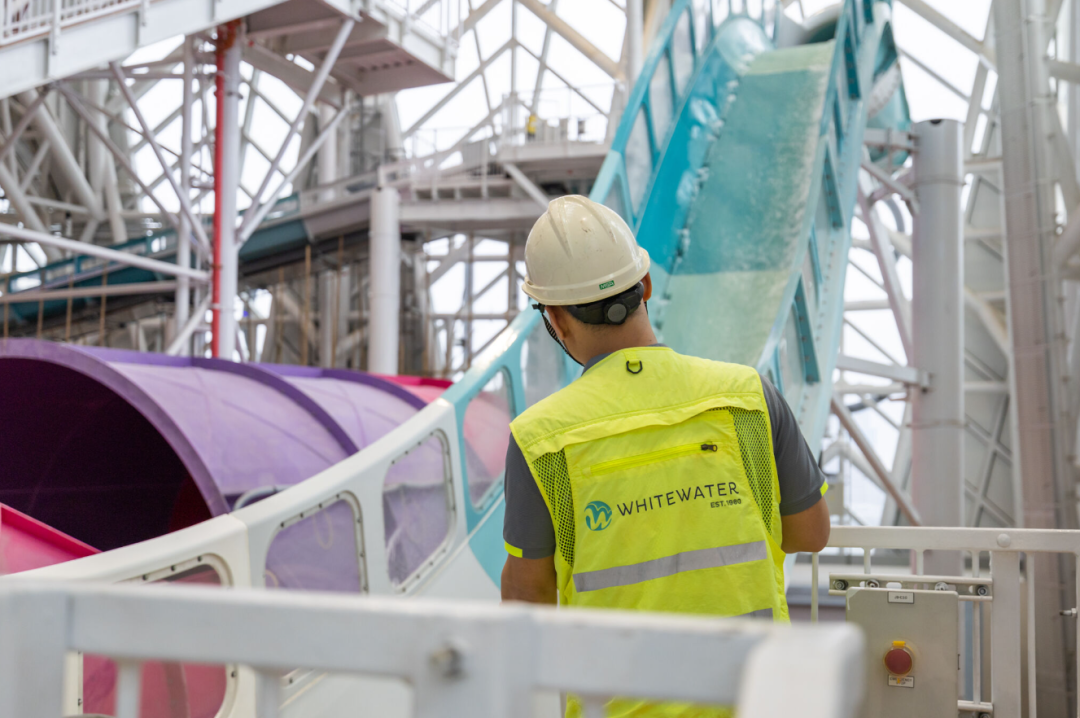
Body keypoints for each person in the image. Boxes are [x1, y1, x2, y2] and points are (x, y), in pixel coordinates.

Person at [501, 194, 830, 616]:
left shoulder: (539, 440)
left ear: (557, 320)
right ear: (648, 286)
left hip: (619, 682)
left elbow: (529, 594)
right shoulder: (750, 397)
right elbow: (811, 534)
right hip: (754, 678)